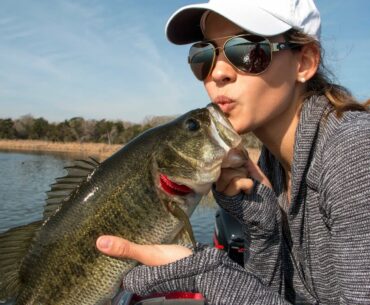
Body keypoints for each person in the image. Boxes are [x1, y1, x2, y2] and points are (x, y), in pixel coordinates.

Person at [96, 0, 370, 304]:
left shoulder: (356, 153)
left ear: (304, 62)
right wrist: (265, 230)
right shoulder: (271, 164)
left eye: (246, 51)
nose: (218, 73)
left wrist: (207, 272)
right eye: (204, 55)